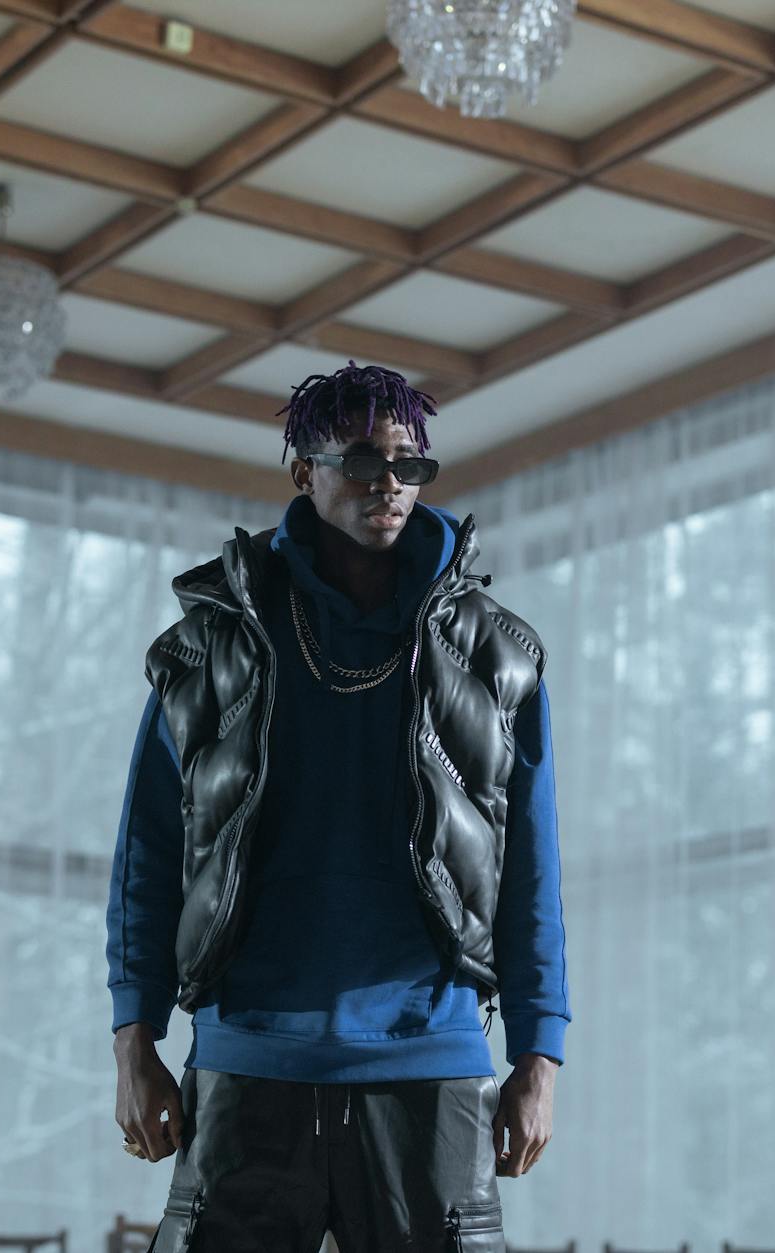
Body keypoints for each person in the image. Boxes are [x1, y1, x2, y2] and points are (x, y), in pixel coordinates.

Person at [104, 360, 570, 1252]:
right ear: (302, 472)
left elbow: (531, 871)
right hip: (247, 1060)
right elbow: (148, 856)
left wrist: (538, 1055)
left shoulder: (497, 656)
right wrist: (135, 1040)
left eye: (407, 464)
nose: (387, 482)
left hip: (431, 1065)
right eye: (360, 461)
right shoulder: (213, 646)